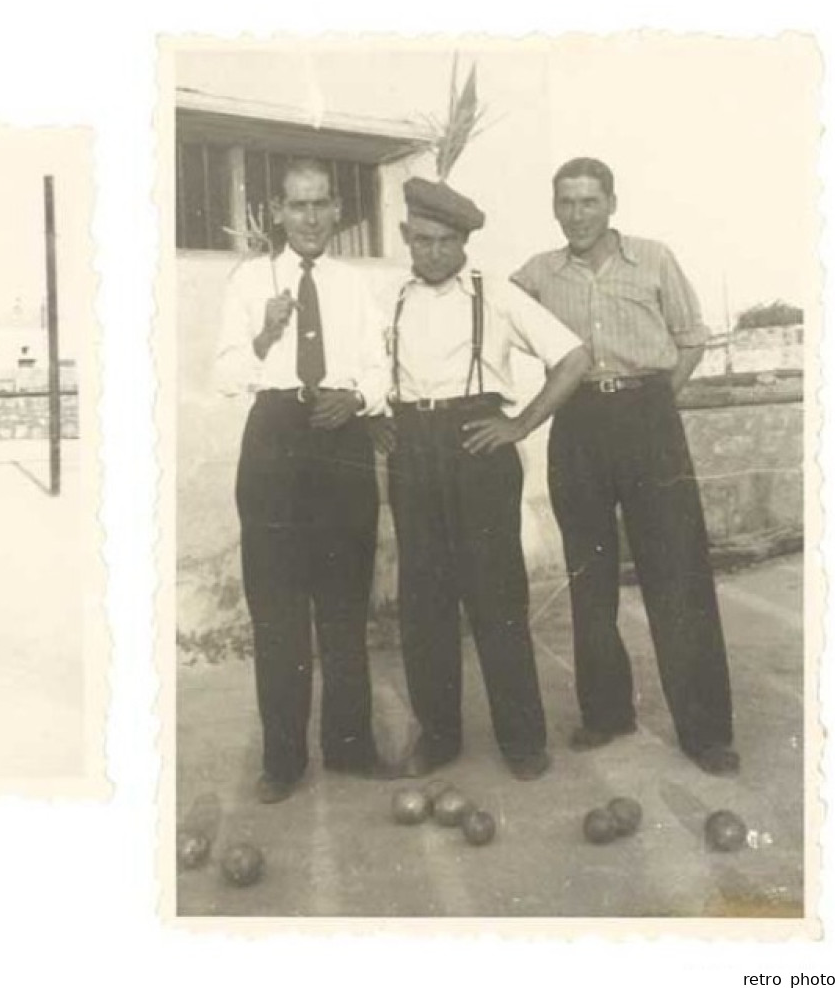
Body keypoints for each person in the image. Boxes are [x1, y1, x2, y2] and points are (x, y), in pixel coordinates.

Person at [513, 157, 738, 776]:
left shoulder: (654, 258)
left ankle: (705, 730)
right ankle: (605, 713)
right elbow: (489, 317)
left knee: (678, 577)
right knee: (590, 578)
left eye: (589, 201)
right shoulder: (536, 273)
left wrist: (656, 398)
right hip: (577, 423)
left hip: (649, 418)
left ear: (612, 203)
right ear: (554, 208)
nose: (578, 214)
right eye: (566, 202)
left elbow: (691, 338)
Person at [385, 177, 591, 782]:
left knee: (496, 599)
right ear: (406, 236)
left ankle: (523, 740)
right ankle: (440, 737)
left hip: (477, 443)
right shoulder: (389, 298)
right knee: (423, 604)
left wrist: (521, 424)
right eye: (422, 240)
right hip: (410, 448)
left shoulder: (495, 294)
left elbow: (573, 357)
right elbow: (366, 372)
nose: (434, 253)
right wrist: (378, 427)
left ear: (465, 243)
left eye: (447, 242)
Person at [210, 158, 393, 805]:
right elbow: (228, 374)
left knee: (343, 608)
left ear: (336, 211)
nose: (310, 217)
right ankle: (282, 760)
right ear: (278, 212)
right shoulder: (247, 280)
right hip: (274, 438)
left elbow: (380, 367)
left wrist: (358, 398)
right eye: (297, 205)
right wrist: (265, 332)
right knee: (278, 612)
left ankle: (350, 749)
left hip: (338, 432)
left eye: (320, 205)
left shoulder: (352, 284)